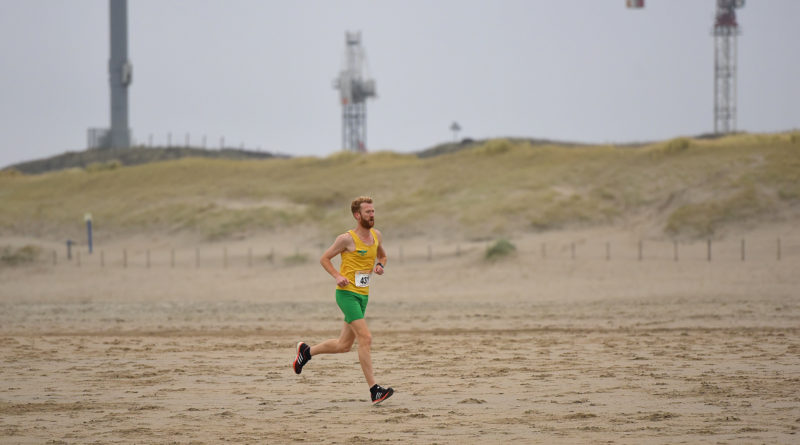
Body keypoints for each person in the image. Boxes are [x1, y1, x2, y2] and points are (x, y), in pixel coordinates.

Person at [292, 196, 394, 405]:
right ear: (358, 215)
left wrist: (380, 266)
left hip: (363, 296)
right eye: (368, 212)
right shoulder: (346, 239)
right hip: (346, 294)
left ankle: (306, 352)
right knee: (365, 338)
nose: (372, 215)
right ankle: (375, 390)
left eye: (373, 211)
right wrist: (338, 276)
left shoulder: (377, 236)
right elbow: (324, 258)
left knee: (343, 345)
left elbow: (382, 256)